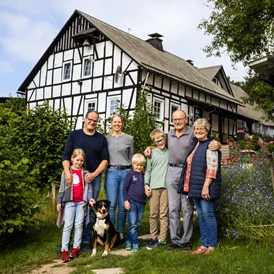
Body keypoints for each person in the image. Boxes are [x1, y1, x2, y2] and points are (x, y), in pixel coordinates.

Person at [144, 110, 221, 252]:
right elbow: (160, 144)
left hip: (188, 172)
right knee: (173, 208)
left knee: (187, 208)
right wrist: (150, 147)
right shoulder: (170, 134)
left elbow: (206, 139)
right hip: (171, 171)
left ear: (186, 120)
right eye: (175, 119)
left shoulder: (193, 132)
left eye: (180, 119)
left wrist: (218, 144)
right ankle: (175, 240)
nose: (178, 121)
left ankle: (186, 241)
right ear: (172, 120)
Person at [62, 110, 109, 252]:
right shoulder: (74, 135)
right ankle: (66, 243)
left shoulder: (101, 139)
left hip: (92, 179)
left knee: (88, 209)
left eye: (95, 120)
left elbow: (105, 160)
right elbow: (65, 155)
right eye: (90, 119)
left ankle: (86, 242)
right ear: (85, 118)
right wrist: (67, 173)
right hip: (74, 178)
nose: (92, 122)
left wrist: (94, 175)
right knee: (70, 209)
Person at [178, 118, 221, 255]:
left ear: (207, 131)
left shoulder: (211, 145)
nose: (198, 131)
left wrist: (206, 186)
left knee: (208, 215)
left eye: (201, 129)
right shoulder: (196, 144)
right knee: (201, 216)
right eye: (196, 129)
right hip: (195, 186)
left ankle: (212, 245)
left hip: (205, 186)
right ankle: (204, 244)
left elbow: (212, 168)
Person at [57, 149, 96, 262]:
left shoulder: (85, 173)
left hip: (81, 203)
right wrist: (59, 201)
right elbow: (62, 188)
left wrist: (90, 199)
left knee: (79, 225)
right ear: (72, 159)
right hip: (69, 202)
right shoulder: (66, 173)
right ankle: (64, 250)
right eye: (77, 160)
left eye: (81, 161)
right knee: (68, 225)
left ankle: (76, 248)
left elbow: (89, 188)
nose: (79, 162)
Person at [105, 114, 134, 240]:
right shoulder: (106, 139)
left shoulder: (129, 138)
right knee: (111, 205)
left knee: (123, 205)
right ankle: (111, 232)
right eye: (115, 122)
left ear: (122, 123)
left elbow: (131, 156)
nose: (117, 124)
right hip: (111, 171)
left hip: (125, 172)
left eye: (119, 122)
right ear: (111, 123)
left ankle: (120, 232)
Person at [144, 128, 169, 250]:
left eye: (161, 138)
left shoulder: (170, 151)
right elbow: (148, 171)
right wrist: (146, 185)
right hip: (153, 186)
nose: (160, 142)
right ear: (154, 142)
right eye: (157, 140)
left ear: (165, 137)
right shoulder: (151, 154)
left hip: (166, 187)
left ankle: (162, 238)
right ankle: (153, 237)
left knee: (164, 214)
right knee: (153, 214)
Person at [123, 153, 146, 252]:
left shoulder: (145, 175)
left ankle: (128, 240)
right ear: (133, 164)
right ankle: (135, 242)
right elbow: (125, 188)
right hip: (132, 202)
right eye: (137, 165)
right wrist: (126, 201)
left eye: (141, 165)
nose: (139, 167)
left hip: (142, 202)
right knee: (132, 223)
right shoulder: (130, 174)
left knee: (137, 223)